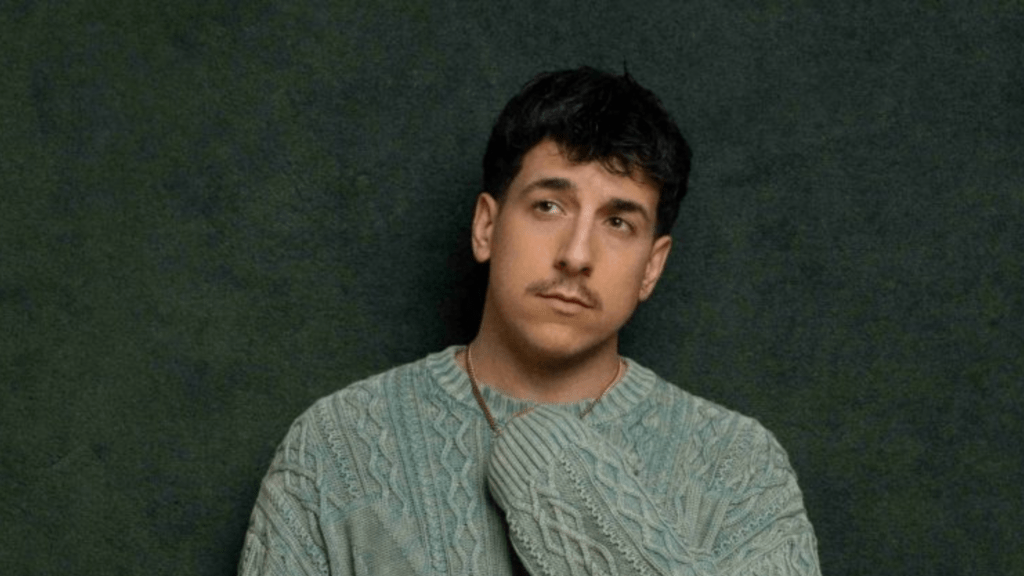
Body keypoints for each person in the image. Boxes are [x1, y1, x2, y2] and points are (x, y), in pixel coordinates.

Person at [238, 67, 821, 575]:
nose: (576, 255)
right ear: (487, 227)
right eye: (549, 206)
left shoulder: (738, 467)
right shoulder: (337, 447)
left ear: (652, 266)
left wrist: (559, 481)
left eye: (618, 222)